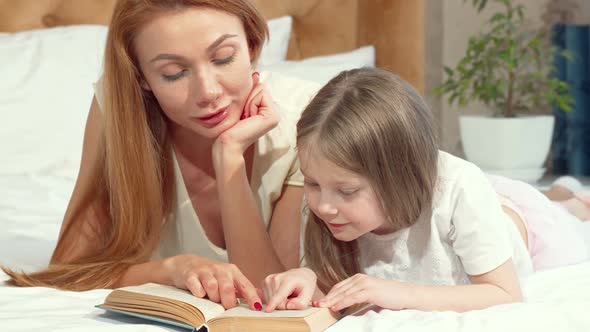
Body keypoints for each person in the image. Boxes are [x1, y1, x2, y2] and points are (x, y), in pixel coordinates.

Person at [3, 0, 305, 311]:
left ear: (252, 46)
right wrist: (171, 269)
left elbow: (268, 295)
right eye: (174, 73)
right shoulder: (121, 108)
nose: (208, 92)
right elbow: (68, 269)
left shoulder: (303, 124)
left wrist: (229, 157)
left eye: (223, 57)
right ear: (142, 78)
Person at [260, 67, 589, 313]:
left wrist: (396, 292)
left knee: (565, 211)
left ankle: (569, 196)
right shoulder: (329, 202)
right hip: (458, 202)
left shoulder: (461, 189)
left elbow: (504, 293)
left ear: (397, 175)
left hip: (517, 221)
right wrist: (309, 278)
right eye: (312, 184)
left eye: (346, 191)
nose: (324, 206)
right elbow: (342, 286)